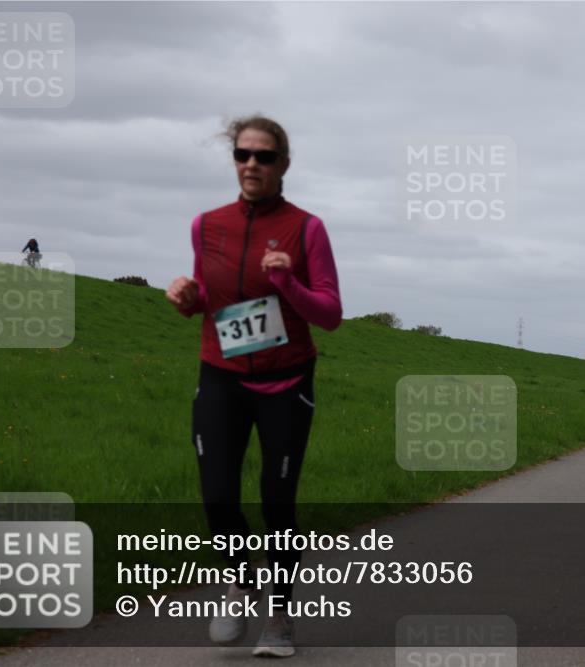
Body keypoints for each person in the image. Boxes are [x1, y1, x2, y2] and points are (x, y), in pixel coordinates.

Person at [166, 115, 342, 658]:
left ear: (283, 165)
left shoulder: (306, 228)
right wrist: (187, 297)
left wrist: (287, 279)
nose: (251, 165)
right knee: (218, 497)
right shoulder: (206, 225)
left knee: (276, 503)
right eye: (243, 154)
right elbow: (209, 301)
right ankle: (242, 582)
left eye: (263, 157)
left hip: (287, 381)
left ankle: (281, 618)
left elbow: (331, 314)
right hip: (221, 375)